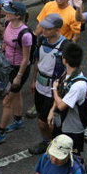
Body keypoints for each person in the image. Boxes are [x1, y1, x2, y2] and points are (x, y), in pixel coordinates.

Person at [28, 13, 70, 155]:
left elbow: (69, 71)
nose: (44, 30)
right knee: (42, 118)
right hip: (40, 86)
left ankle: (54, 144)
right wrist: (34, 80)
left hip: (53, 90)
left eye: (48, 28)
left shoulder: (65, 46)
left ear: (57, 29)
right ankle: (48, 141)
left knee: (44, 120)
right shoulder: (41, 40)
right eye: (43, 27)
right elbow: (37, 62)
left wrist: (60, 91)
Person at [0, 2, 32, 145]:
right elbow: (6, 42)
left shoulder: (26, 34)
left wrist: (19, 77)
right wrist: (3, 49)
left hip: (18, 69)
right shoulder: (8, 23)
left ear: (18, 16)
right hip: (8, 66)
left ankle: (1, 132)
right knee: (16, 94)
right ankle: (18, 120)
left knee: (6, 101)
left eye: (9, 11)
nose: (5, 12)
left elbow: (26, 59)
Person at [49, 43, 87, 154]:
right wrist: (52, 110)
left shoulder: (78, 85)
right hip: (62, 124)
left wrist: (54, 89)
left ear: (65, 60)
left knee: (72, 157)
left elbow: (61, 105)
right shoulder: (67, 73)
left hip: (72, 129)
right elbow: (61, 94)